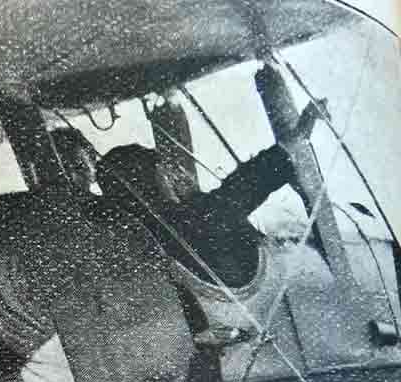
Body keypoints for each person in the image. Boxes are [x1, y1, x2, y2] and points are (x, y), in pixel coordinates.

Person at [94, 98, 325, 291]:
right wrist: (291, 144)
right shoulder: (177, 222)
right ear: (148, 184)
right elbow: (234, 196)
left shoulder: (138, 230)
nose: (169, 177)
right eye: (161, 173)